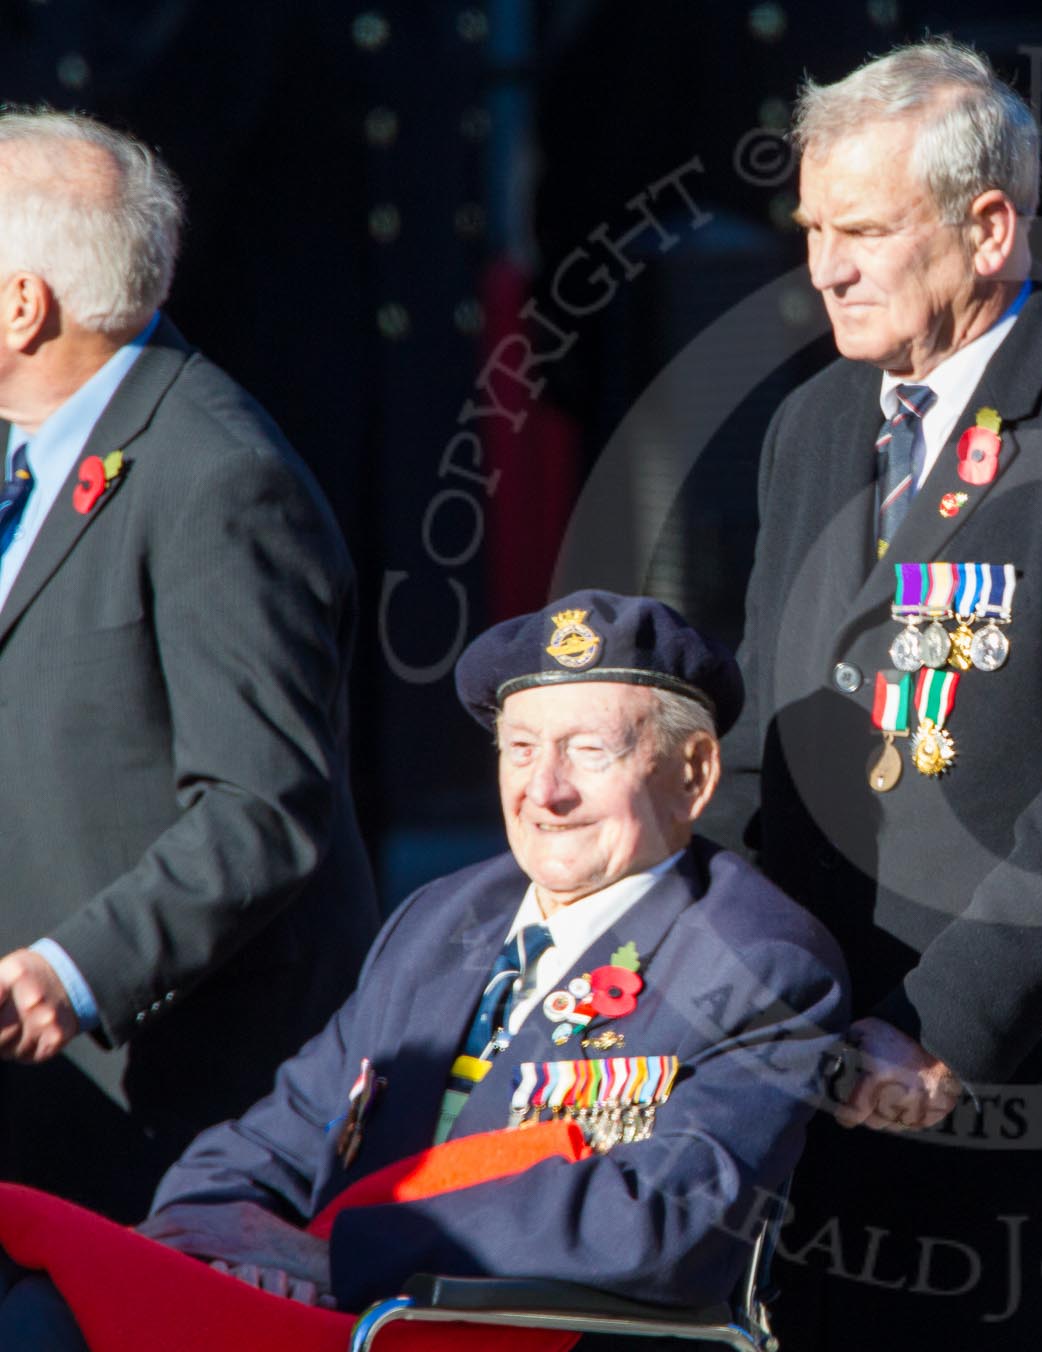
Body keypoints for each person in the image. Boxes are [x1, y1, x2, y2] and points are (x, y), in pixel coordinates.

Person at [700, 37, 1042, 1348]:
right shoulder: (815, 426)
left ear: (989, 225)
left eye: (865, 230)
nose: (825, 263)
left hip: (1032, 1114)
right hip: (829, 1095)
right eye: (814, 227)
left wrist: (939, 1031)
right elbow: (771, 738)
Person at [0, 590, 851, 1349]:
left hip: (510, 1335)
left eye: (587, 750)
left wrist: (341, 1251)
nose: (542, 790)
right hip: (344, 1318)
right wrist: (213, 1223)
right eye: (520, 749)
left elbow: (666, 1225)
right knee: (41, 1296)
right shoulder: (446, 916)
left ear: (692, 774)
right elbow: (283, 1129)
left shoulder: (758, 960)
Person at [0, 108, 377, 1219]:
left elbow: (263, 808)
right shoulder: (27, 451)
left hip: (171, 1107)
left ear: (24, 303)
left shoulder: (219, 475)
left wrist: (70, 969)